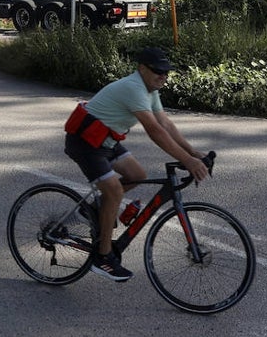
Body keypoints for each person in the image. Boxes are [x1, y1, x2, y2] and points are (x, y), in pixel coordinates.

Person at [63, 47, 210, 281]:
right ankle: (102, 258)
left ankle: (91, 209)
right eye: (158, 71)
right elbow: (154, 131)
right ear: (142, 69)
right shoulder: (134, 88)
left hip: (106, 141)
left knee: (137, 175)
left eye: (166, 73)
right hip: (85, 142)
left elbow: (166, 125)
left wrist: (193, 152)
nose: (163, 76)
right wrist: (188, 161)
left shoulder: (151, 90)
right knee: (114, 191)